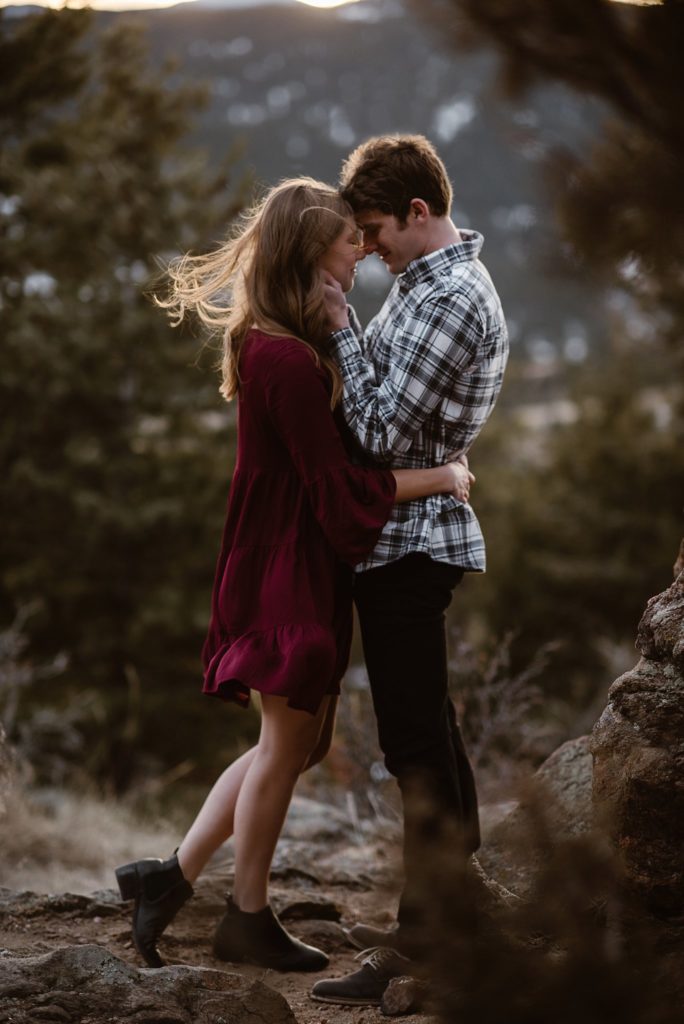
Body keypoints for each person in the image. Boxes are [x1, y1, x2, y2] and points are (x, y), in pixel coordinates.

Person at [114, 178, 474, 974]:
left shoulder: (287, 345)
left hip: (291, 560)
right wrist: (440, 476)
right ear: (315, 255)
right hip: (284, 565)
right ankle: (246, 915)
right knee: (285, 744)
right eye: (350, 240)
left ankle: (168, 876)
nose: (362, 250)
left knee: (299, 742)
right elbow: (336, 491)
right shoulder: (283, 360)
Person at [311, 136, 509, 1006]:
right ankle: (449, 919)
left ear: (420, 214)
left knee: (412, 747)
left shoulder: (451, 297)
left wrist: (340, 329)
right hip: (402, 536)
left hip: (412, 540)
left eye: (377, 228)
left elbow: (384, 432)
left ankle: (428, 940)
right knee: (431, 733)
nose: (370, 246)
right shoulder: (424, 287)